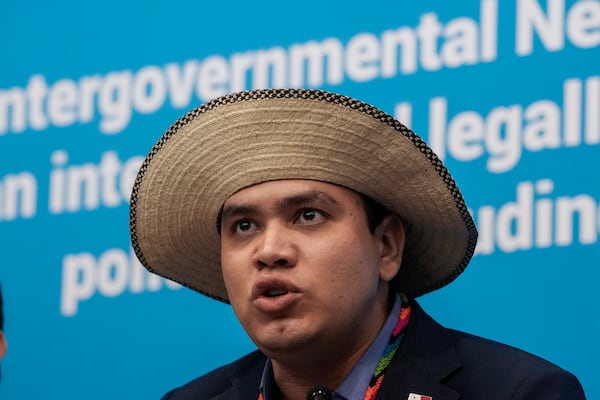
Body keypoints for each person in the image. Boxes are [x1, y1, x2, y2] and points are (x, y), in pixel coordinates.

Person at [129, 89, 586, 399]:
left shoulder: (520, 391)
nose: (268, 251)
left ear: (386, 246)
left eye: (308, 216)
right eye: (244, 226)